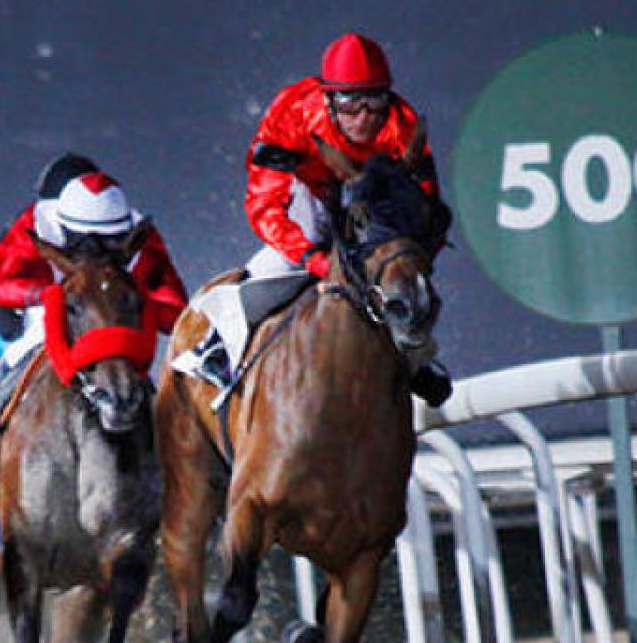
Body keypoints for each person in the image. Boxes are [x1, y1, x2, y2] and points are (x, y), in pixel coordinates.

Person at [170, 31, 454, 406]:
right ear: (329, 98)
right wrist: (310, 257)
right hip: (309, 192)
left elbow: (427, 210)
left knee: (397, 273)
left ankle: (418, 356)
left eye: (375, 100)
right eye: (351, 104)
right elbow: (264, 205)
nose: (365, 116)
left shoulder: (402, 124)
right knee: (281, 261)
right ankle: (218, 349)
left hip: (370, 204)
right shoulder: (291, 115)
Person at [0, 154, 188, 428]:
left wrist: (138, 303)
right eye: (84, 243)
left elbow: (175, 309)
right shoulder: (36, 225)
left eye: (108, 242)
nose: (95, 254)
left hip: (114, 314)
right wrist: (46, 295)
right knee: (30, 343)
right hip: (53, 308)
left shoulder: (141, 236)